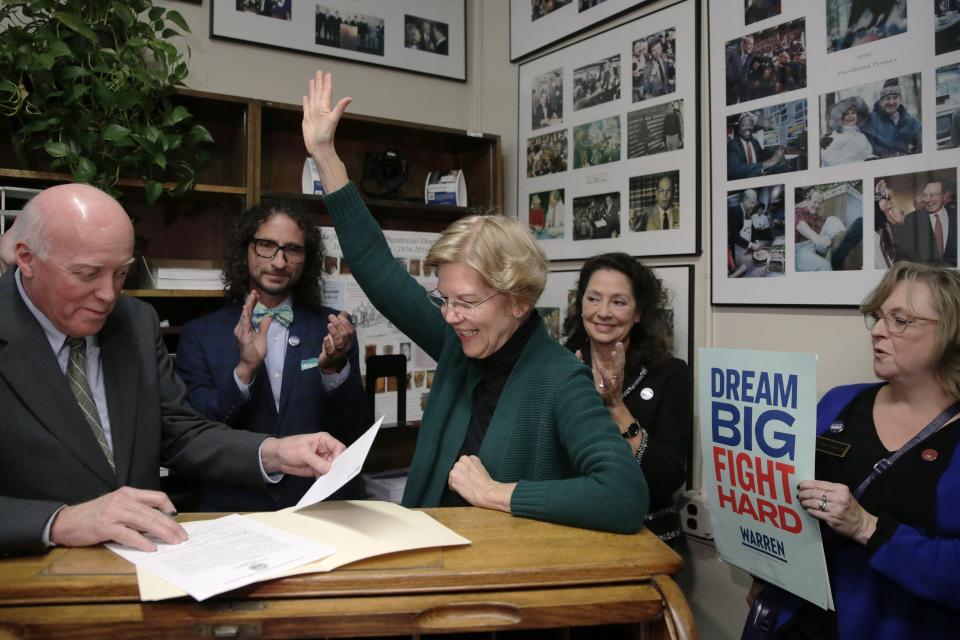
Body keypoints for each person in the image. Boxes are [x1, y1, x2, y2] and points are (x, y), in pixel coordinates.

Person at [301, 70, 648, 533]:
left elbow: (624, 496)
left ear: (519, 300)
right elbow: (379, 269)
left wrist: (495, 494)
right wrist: (324, 154)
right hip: (427, 556)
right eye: (444, 299)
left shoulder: (561, 381)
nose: (449, 316)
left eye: (465, 302)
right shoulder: (457, 341)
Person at [0, 184, 346, 556]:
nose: (108, 295)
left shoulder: (134, 322)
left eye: (122, 274)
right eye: (87, 274)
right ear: (27, 258)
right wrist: (59, 521)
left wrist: (274, 452)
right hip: (33, 577)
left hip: (149, 561)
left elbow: (180, 432)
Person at [744, 262, 960, 639]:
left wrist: (867, 526)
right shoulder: (840, 402)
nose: (877, 331)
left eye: (900, 321)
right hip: (799, 620)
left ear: (951, 332)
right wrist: (765, 569)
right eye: (878, 317)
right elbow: (786, 499)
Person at [175, 202, 368, 511]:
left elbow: (355, 431)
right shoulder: (200, 335)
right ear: (246, 249)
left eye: (292, 250)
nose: (279, 262)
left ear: (306, 259)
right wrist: (244, 372)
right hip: (233, 506)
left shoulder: (333, 328)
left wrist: (334, 370)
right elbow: (194, 436)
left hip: (317, 503)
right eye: (266, 246)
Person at [563, 254, 691, 542]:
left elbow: (665, 480)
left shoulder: (669, 374)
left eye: (619, 302)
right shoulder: (560, 365)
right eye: (593, 298)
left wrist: (616, 405)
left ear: (638, 313)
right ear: (580, 304)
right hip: (570, 529)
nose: (603, 312)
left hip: (646, 536)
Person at [890, 179, 958, 267]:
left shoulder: (956, 215)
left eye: (933, 195)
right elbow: (904, 256)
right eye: (925, 195)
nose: (928, 199)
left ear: (945, 196)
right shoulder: (912, 219)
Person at [861, 78, 922, 158]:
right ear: (881, 101)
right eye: (888, 98)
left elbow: (922, 137)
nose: (891, 102)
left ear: (900, 99)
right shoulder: (870, 120)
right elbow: (856, 138)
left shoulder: (909, 120)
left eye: (895, 97)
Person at [795, 189, 848, 271]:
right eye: (814, 202)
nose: (816, 205)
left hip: (818, 246)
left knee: (831, 219)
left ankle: (845, 246)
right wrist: (819, 240)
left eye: (819, 203)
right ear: (808, 201)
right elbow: (800, 226)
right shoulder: (799, 211)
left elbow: (830, 228)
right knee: (826, 266)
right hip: (802, 248)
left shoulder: (820, 219)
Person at [727, 112, 785, 180]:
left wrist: (776, 152)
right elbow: (735, 170)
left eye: (750, 125)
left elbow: (762, 155)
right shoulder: (732, 144)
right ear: (739, 127)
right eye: (744, 125)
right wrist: (767, 164)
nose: (747, 128)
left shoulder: (754, 141)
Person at [821, 96, 875, 167]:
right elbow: (833, 160)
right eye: (846, 114)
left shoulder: (862, 136)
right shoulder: (833, 137)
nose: (850, 116)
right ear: (840, 117)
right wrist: (861, 164)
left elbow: (868, 153)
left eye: (853, 113)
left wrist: (874, 159)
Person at [725, 35, 755, 105]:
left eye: (752, 44)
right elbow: (728, 74)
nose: (752, 47)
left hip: (742, 95)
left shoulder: (750, 57)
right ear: (743, 44)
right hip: (730, 93)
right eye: (750, 44)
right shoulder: (733, 55)